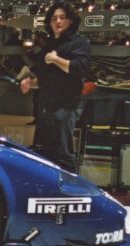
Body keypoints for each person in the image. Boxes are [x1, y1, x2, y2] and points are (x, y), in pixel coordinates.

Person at [20, 2, 91, 172]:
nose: (57, 21)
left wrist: (56, 59)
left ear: (70, 21)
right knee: (44, 151)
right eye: (54, 18)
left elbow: (79, 68)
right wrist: (30, 83)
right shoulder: (49, 46)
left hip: (66, 105)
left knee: (63, 152)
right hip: (46, 105)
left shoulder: (79, 43)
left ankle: (70, 190)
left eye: (62, 17)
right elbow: (45, 78)